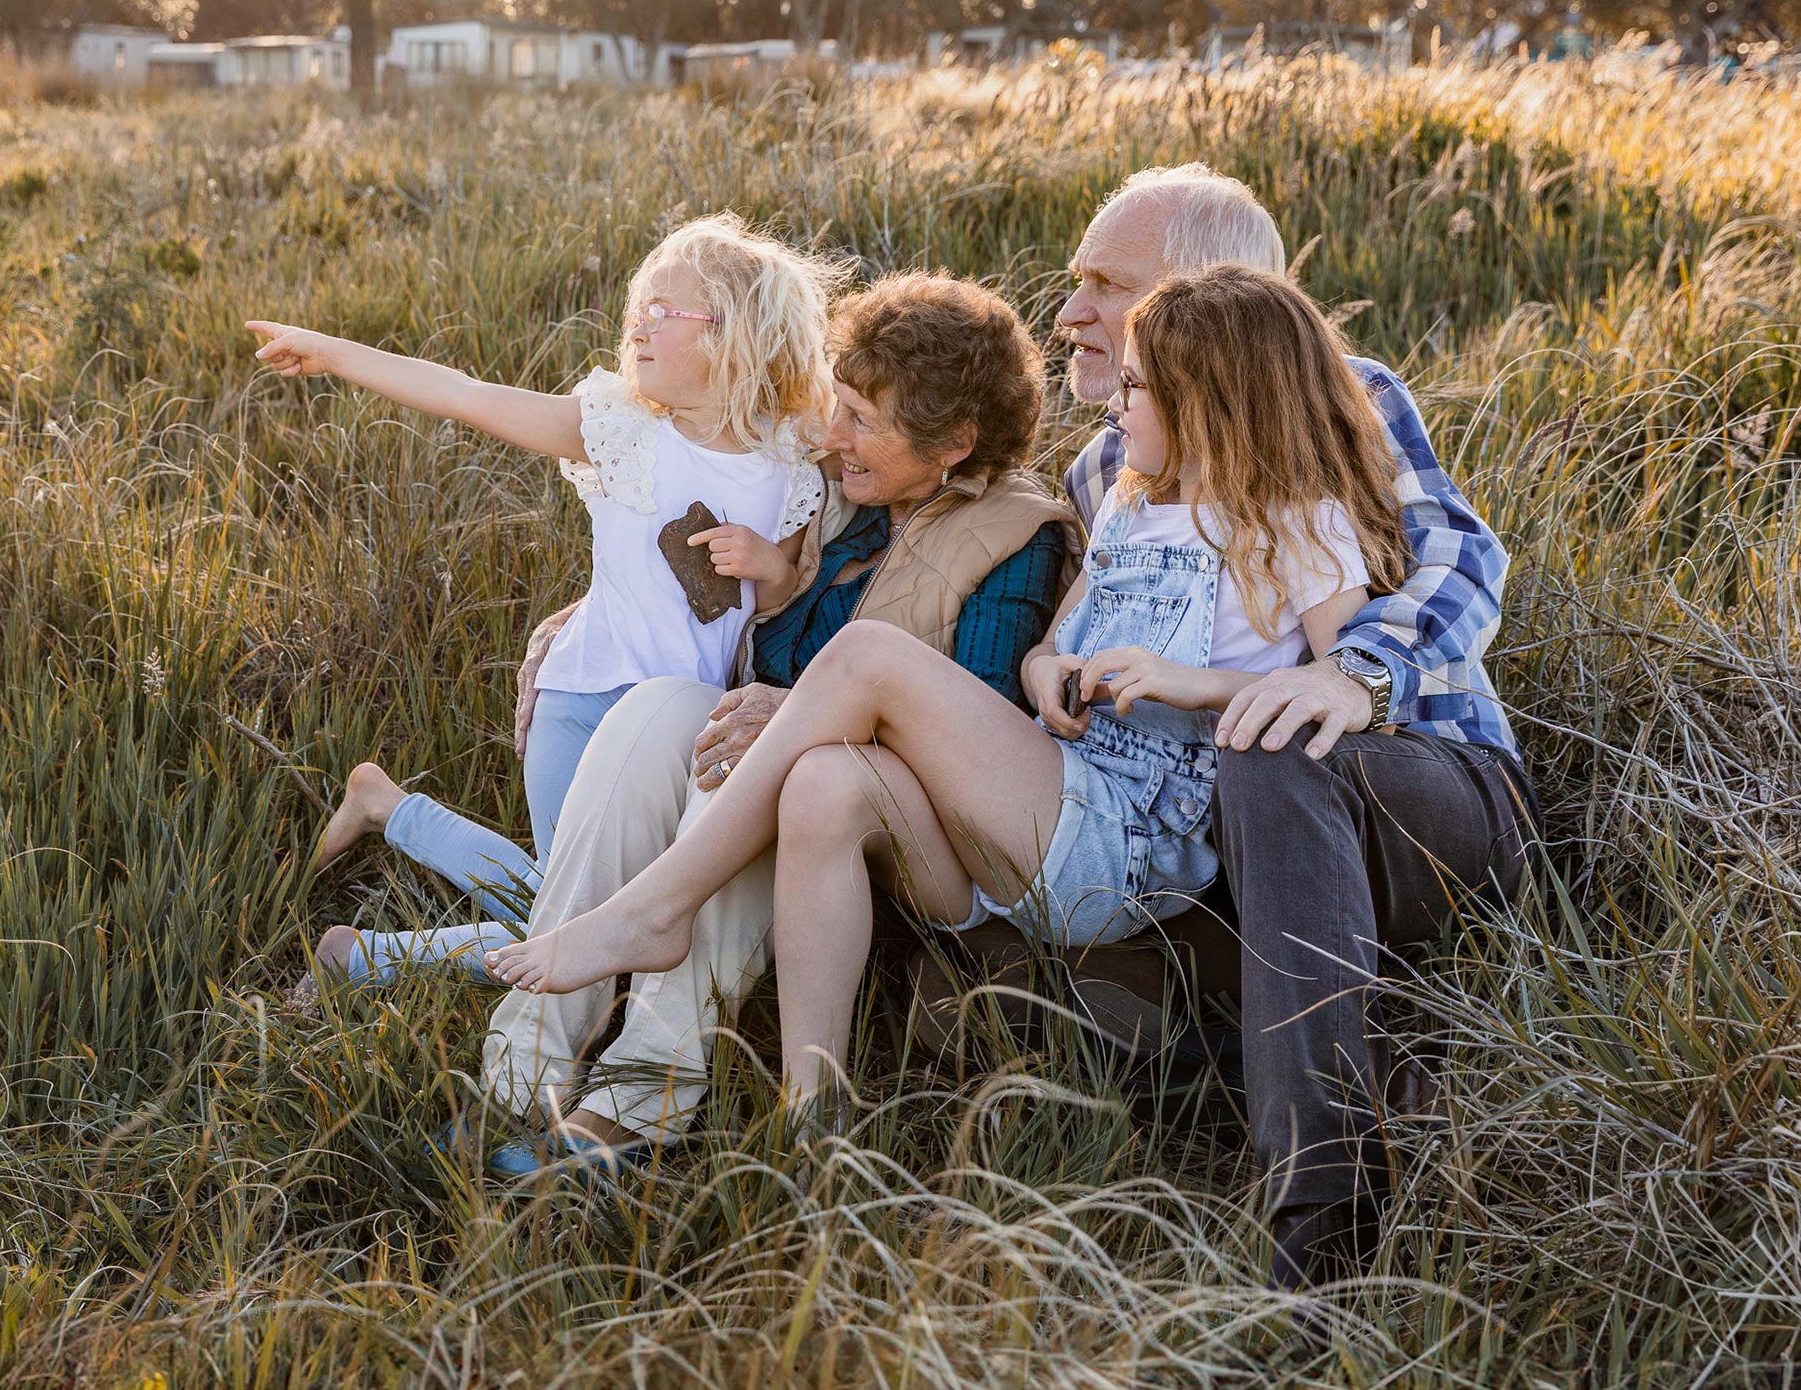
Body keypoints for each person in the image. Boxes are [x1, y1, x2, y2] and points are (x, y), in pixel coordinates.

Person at [514, 164, 1538, 1290]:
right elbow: (1028, 595)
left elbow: (1455, 560)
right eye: (1077, 283)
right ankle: (818, 1138)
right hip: (1105, 799)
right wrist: (625, 604)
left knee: (1254, 758)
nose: (1073, 315)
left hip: (1383, 771)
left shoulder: (1321, 403)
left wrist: (1354, 676)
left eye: (1109, 286)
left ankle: (1319, 1215)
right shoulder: (1117, 464)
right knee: (825, 786)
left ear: (1210, 300)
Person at [487, 265, 1413, 1085]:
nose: (1114, 406)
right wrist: (1050, 668)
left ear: (1213, 401)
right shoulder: (1132, 507)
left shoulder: (1301, 523)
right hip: (1039, 812)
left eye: (1135, 389)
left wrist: (1193, 683)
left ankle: (656, 905)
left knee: (869, 659)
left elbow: (1343, 683)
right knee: (822, 783)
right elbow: (1054, 641)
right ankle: (812, 1116)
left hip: (1134, 845)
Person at [461, 273, 1075, 1172]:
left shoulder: (1019, 536)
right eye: (840, 405)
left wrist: (798, 712)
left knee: (773, 762)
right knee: (660, 709)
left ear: (954, 441)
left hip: (921, 835)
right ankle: (524, 1065)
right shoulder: (839, 497)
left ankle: (644, 1095)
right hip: (782, 764)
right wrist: (579, 616)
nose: (834, 437)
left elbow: (973, 729)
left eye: (865, 420)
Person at [246, 213, 837, 985]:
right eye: (635, 312)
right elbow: (465, 394)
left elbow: (781, 597)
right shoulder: (624, 433)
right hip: (582, 703)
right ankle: (359, 957)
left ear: (733, 334)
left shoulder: (788, 465)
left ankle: (384, 819)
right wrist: (334, 352)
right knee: (578, 919)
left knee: (585, 907)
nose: (637, 329)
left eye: (662, 313)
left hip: (681, 728)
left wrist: (769, 564)